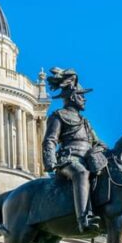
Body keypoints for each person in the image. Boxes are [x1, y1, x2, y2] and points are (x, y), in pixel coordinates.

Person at [42, 68, 108, 233]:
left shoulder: (84, 121)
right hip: (69, 160)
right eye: (81, 95)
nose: (84, 99)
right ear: (72, 96)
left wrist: (100, 150)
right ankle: (84, 218)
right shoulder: (59, 116)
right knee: (81, 174)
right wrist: (51, 162)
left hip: (86, 159)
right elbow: (50, 140)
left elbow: (98, 142)